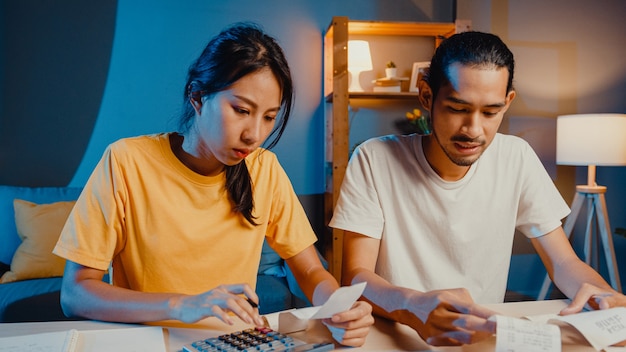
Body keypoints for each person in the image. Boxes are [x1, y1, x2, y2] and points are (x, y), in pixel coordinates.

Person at [53, 22, 373, 347]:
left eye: (268, 116)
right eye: (241, 110)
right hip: (149, 342)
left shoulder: (264, 169)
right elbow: (75, 293)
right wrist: (183, 304)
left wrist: (338, 306)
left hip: (233, 341)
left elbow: (309, 270)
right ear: (198, 97)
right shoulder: (126, 161)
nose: (254, 134)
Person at [329, 31, 626, 346]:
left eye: (490, 112)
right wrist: (413, 306)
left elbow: (563, 262)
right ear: (427, 96)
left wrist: (605, 295)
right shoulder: (374, 158)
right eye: (457, 108)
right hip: (396, 333)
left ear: (507, 103)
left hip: (477, 337)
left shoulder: (516, 156)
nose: (473, 130)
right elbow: (356, 276)